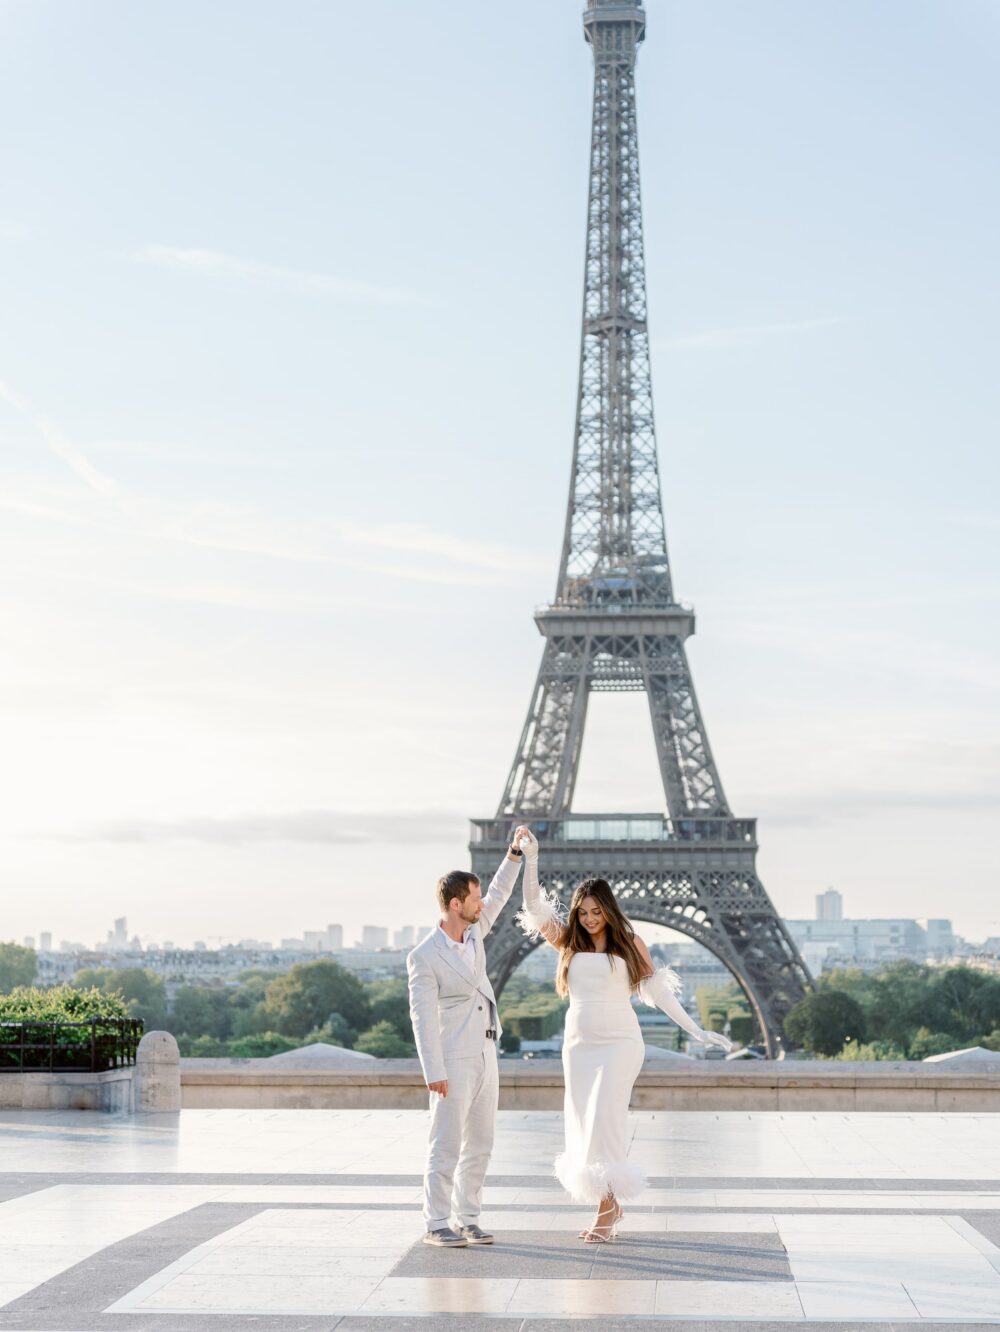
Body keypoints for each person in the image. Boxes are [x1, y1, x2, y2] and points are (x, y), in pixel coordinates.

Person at [515, 827, 735, 1242]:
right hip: (579, 1044)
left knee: (605, 1119)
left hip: (619, 1042)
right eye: (583, 913)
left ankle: (606, 1212)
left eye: (597, 912)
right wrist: (533, 859)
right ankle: (610, 1204)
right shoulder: (567, 942)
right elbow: (532, 905)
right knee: (584, 1122)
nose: (590, 919)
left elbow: (660, 993)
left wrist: (697, 1030)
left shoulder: (630, 943)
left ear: (609, 910)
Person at [407, 827, 529, 1247]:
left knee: (480, 1142)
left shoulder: (475, 931)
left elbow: (498, 893)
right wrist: (433, 1071)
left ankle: (468, 1216)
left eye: (479, 899)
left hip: (485, 1051)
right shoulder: (423, 956)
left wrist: (514, 853)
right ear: (456, 904)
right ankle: (436, 1222)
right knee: (446, 1145)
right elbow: (421, 1018)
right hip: (453, 1057)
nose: (481, 905)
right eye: (473, 900)